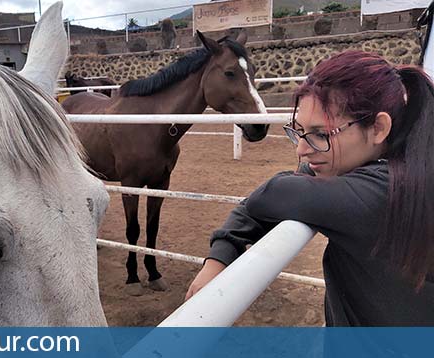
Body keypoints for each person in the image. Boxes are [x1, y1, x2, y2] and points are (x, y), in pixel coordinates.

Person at [185, 51, 434, 326]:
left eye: (321, 134)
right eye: (299, 131)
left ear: (378, 128)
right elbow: (264, 201)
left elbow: (272, 195)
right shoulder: (408, 164)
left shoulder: (380, 194)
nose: (302, 149)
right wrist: (220, 256)